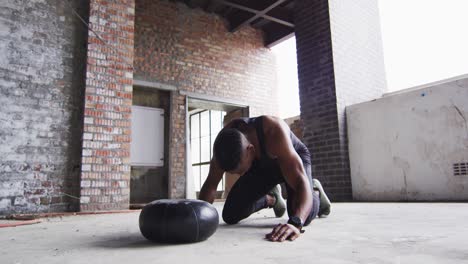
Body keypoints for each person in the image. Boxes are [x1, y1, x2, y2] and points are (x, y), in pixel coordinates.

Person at [199, 115, 331, 242]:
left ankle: (315, 191)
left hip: (293, 162)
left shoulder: (274, 131)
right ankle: (272, 199)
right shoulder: (224, 145)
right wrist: (198, 214)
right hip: (262, 167)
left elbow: (299, 182)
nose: (240, 175)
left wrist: (296, 223)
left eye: (240, 171)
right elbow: (211, 184)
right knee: (230, 214)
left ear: (250, 150)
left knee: (301, 216)